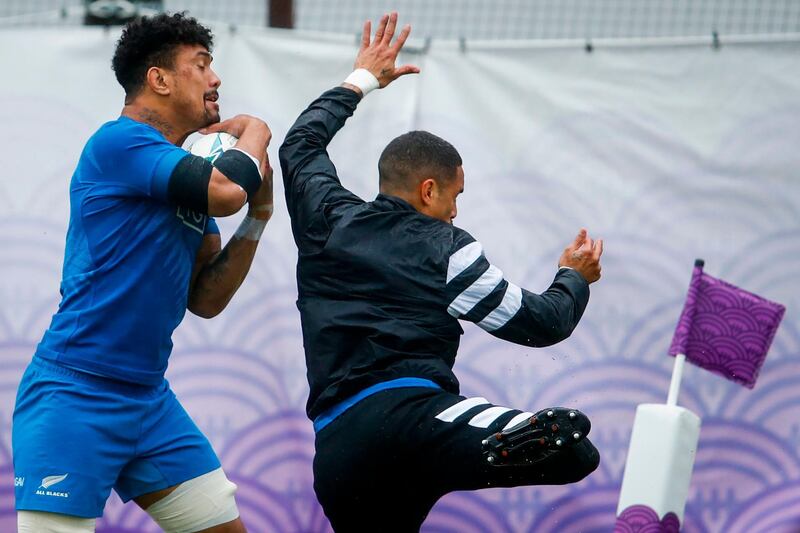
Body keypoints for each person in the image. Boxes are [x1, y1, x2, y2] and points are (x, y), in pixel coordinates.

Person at [279, 12, 604, 532]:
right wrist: (573, 277)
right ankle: (496, 440)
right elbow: (542, 323)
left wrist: (361, 79)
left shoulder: (326, 218)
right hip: (413, 418)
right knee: (576, 451)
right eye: (454, 196)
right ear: (429, 190)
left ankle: (491, 441)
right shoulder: (446, 247)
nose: (456, 211)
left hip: (338, 450)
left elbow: (299, 148)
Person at [12, 12, 273, 533]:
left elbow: (206, 298)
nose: (215, 79)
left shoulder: (182, 173)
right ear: (159, 80)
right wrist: (258, 132)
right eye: (201, 66)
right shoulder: (119, 143)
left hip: (149, 401)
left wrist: (260, 218)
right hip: (74, 395)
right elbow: (226, 192)